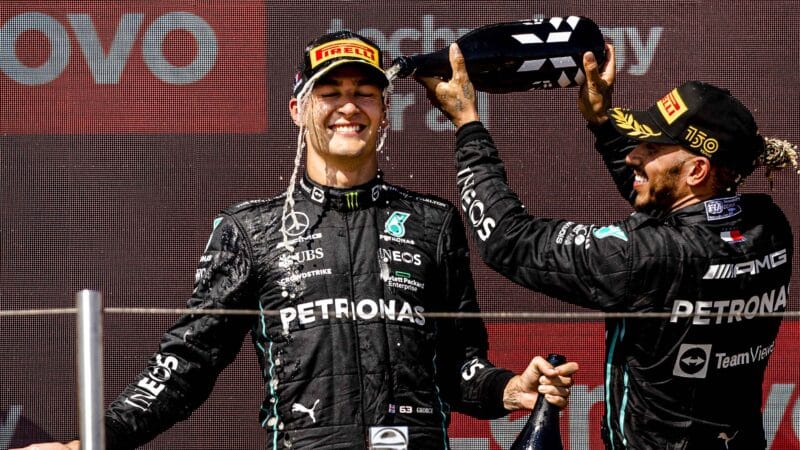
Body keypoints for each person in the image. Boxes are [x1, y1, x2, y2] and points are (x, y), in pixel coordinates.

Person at [16, 31, 578, 450]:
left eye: (364, 93)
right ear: (297, 109)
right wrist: (94, 441)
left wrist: (508, 388)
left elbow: (459, 367)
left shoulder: (433, 221)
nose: (348, 106)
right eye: (329, 92)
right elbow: (186, 364)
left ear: (384, 113)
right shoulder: (249, 230)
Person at [415, 42, 798, 449]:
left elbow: (508, 240)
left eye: (651, 147)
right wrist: (601, 121)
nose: (634, 155)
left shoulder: (648, 257)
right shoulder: (769, 227)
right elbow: (673, 203)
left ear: (698, 169)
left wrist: (468, 125)